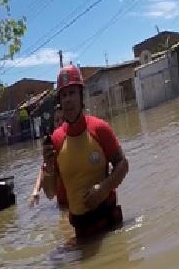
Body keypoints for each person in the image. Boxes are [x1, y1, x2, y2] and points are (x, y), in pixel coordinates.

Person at [42, 64, 129, 238]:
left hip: (111, 226)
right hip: (82, 233)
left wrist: (103, 189)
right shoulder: (56, 141)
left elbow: (123, 164)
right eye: (64, 95)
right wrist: (49, 167)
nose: (67, 99)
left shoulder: (100, 128)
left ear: (81, 96)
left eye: (72, 92)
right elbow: (50, 193)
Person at [29, 104, 68, 208]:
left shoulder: (78, 141)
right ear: (54, 124)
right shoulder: (52, 147)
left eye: (63, 119)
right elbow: (43, 168)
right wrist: (36, 190)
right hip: (63, 205)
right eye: (57, 120)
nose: (60, 122)